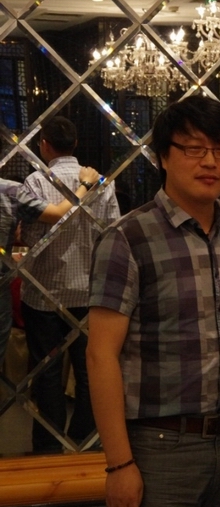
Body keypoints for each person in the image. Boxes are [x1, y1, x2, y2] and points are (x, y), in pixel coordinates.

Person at [86, 96, 220, 507]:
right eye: (193, 149)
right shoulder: (128, 238)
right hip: (158, 449)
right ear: (163, 155)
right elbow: (100, 355)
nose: (210, 162)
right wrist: (119, 463)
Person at [20, 116, 121, 452]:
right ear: (75, 144)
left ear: (44, 145)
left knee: (47, 371)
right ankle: (86, 441)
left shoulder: (36, 181)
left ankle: (48, 447)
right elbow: (112, 234)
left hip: (44, 292)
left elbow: (31, 236)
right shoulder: (101, 182)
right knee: (91, 368)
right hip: (90, 292)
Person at [0, 166, 101, 372]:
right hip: (2, 285)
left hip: (34, 292)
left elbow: (31, 235)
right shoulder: (8, 190)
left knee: (47, 371)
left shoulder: (30, 183)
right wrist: (85, 184)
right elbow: (58, 215)